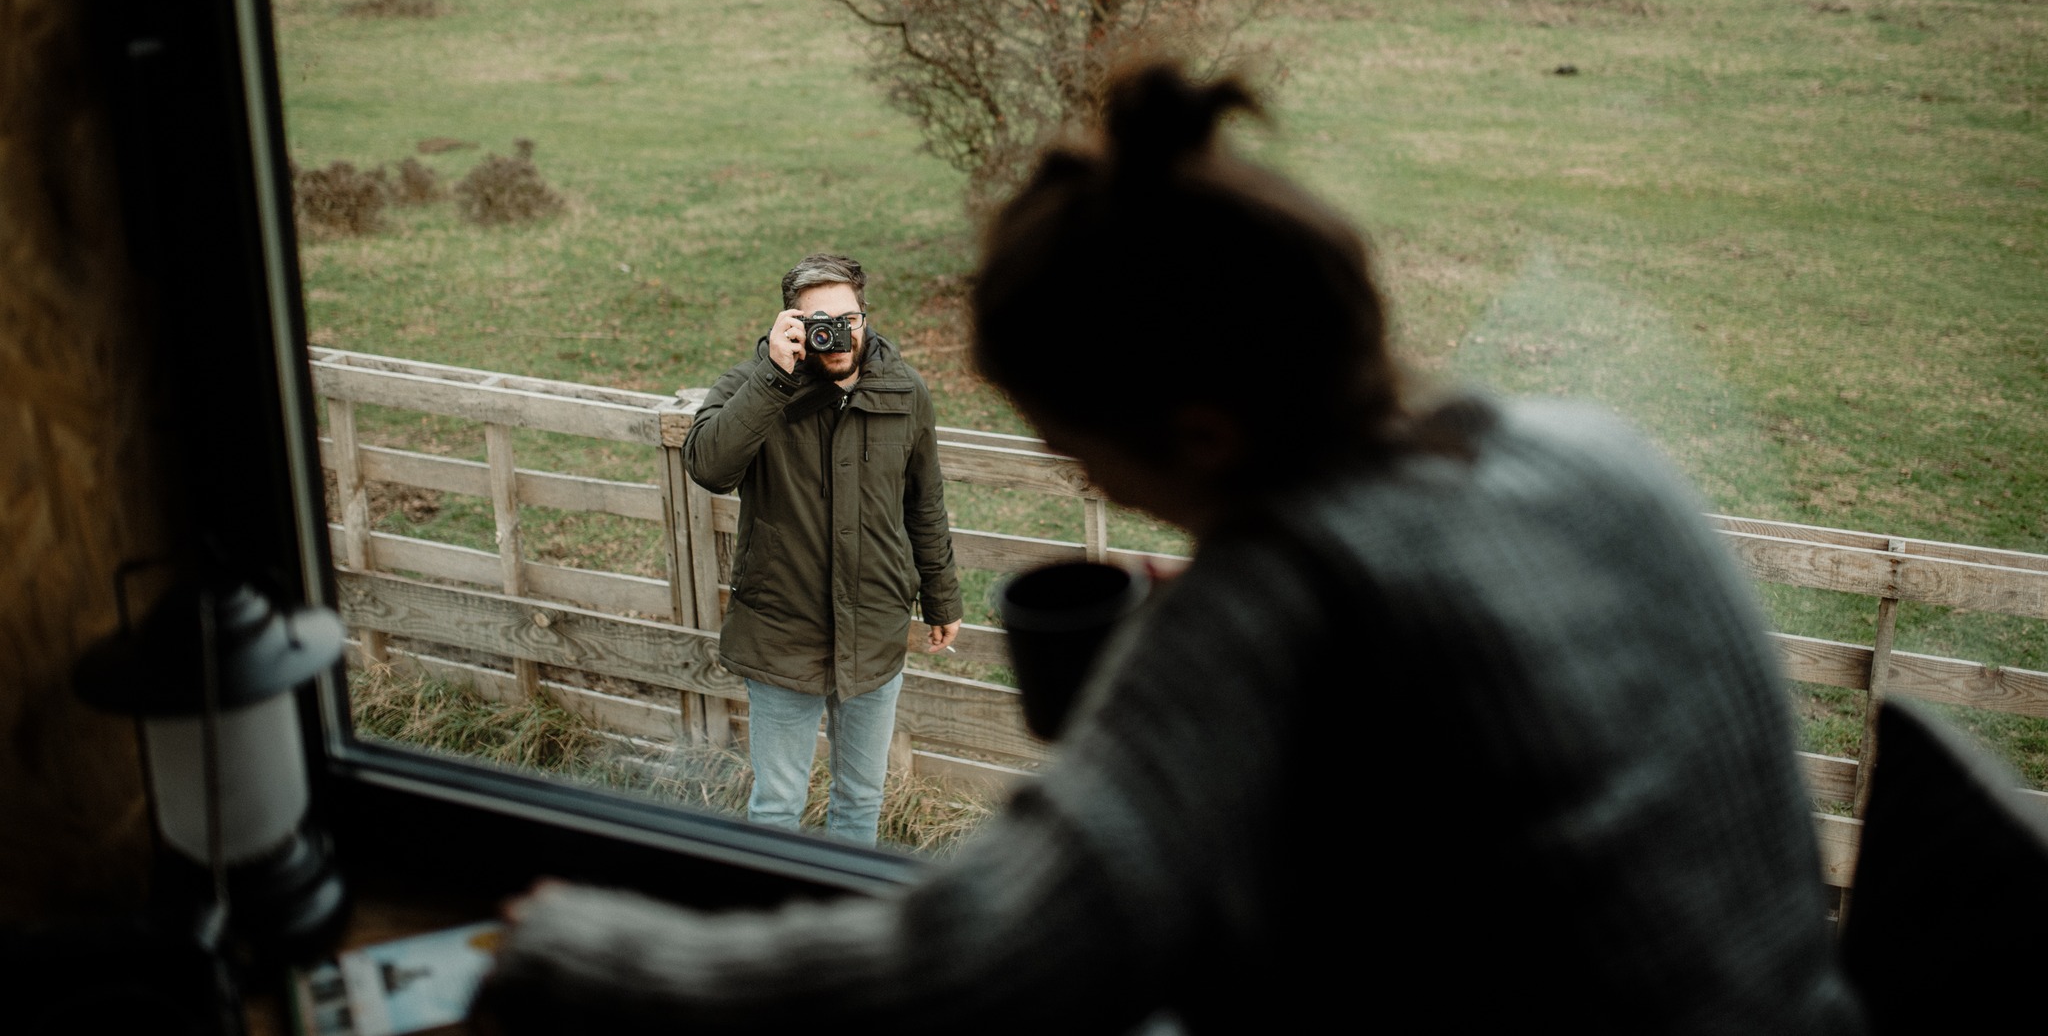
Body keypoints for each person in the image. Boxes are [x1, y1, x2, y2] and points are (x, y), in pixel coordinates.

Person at [478, 67, 1863, 1033]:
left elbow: (978, 971)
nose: (1083, 476)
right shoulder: (1597, 454)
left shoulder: (1274, 612)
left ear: (1199, 430)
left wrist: (600, 959)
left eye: (1082, 447)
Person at [681, 252, 961, 844]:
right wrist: (774, 378)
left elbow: (925, 502)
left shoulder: (904, 391)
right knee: (777, 805)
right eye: (819, 322)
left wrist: (942, 598)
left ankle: (843, 911)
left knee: (861, 798)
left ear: (864, 317)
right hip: (783, 628)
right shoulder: (754, 384)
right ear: (792, 323)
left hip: (875, 627)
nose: (837, 334)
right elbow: (708, 466)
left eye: (849, 318)